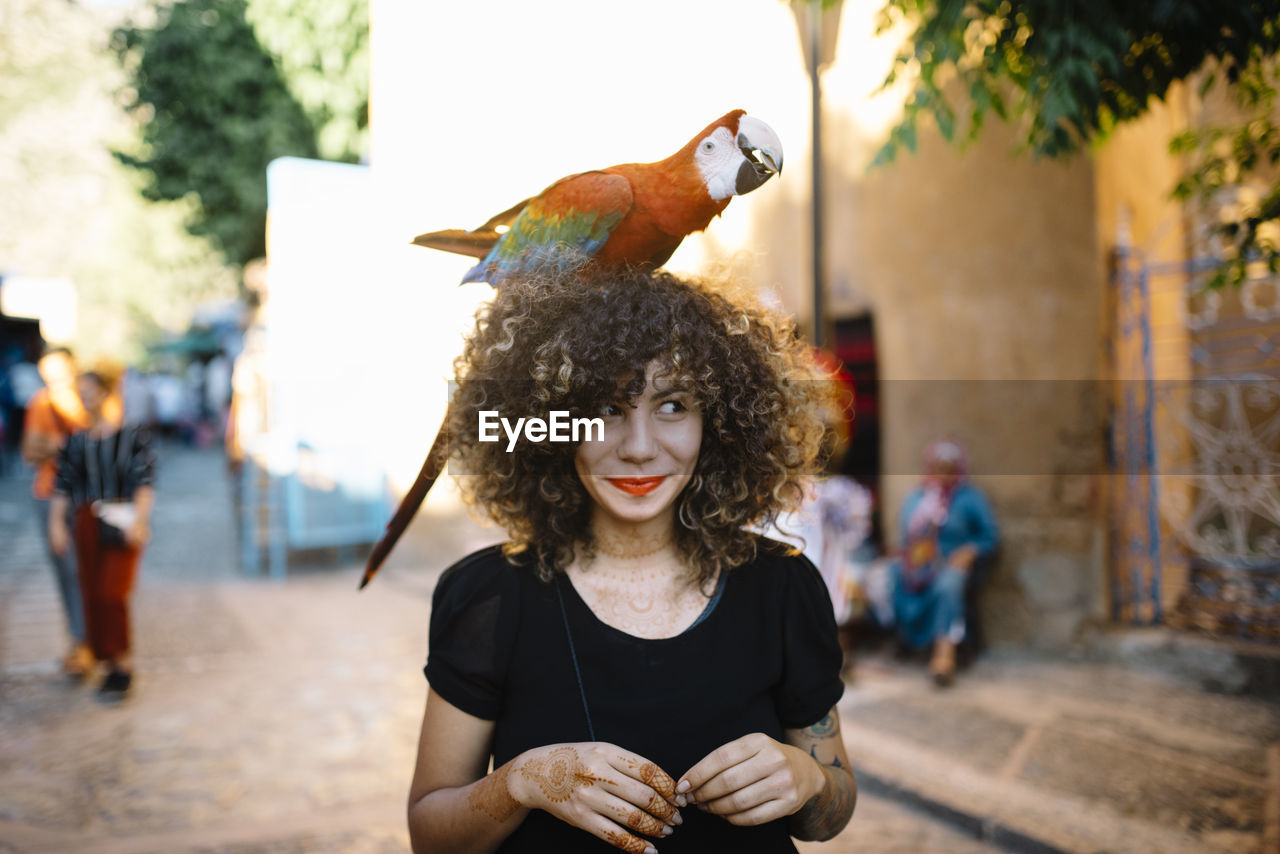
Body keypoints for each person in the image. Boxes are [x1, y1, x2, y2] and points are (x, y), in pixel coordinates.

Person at [407, 269, 857, 853]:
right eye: (605, 408)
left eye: (673, 404)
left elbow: (831, 813)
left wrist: (809, 780)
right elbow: (429, 837)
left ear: (716, 422)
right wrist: (521, 781)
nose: (640, 445)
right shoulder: (489, 596)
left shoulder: (782, 586)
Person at [48, 368, 156, 700]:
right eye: (82, 392)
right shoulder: (76, 442)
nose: (86, 398)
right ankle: (107, 664)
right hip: (86, 521)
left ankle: (120, 662)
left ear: (106, 393)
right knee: (93, 592)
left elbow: (144, 483)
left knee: (113, 592)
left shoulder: (131, 437)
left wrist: (139, 520)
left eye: (91, 391)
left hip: (121, 519)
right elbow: (63, 486)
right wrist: (56, 523)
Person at [890, 439, 999, 687]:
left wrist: (970, 550)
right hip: (919, 564)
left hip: (952, 563)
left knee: (949, 583)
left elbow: (990, 537)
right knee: (892, 573)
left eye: (948, 469)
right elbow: (906, 536)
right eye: (938, 467)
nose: (942, 474)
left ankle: (943, 654)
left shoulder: (970, 498)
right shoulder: (917, 496)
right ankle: (911, 640)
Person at [21, 347, 92, 677]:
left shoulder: (87, 400)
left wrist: (55, 445)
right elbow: (31, 450)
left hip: (87, 495)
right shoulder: (42, 403)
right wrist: (67, 446)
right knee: (67, 570)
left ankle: (92, 640)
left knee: (90, 569)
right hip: (52, 493)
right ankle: (80, 641)